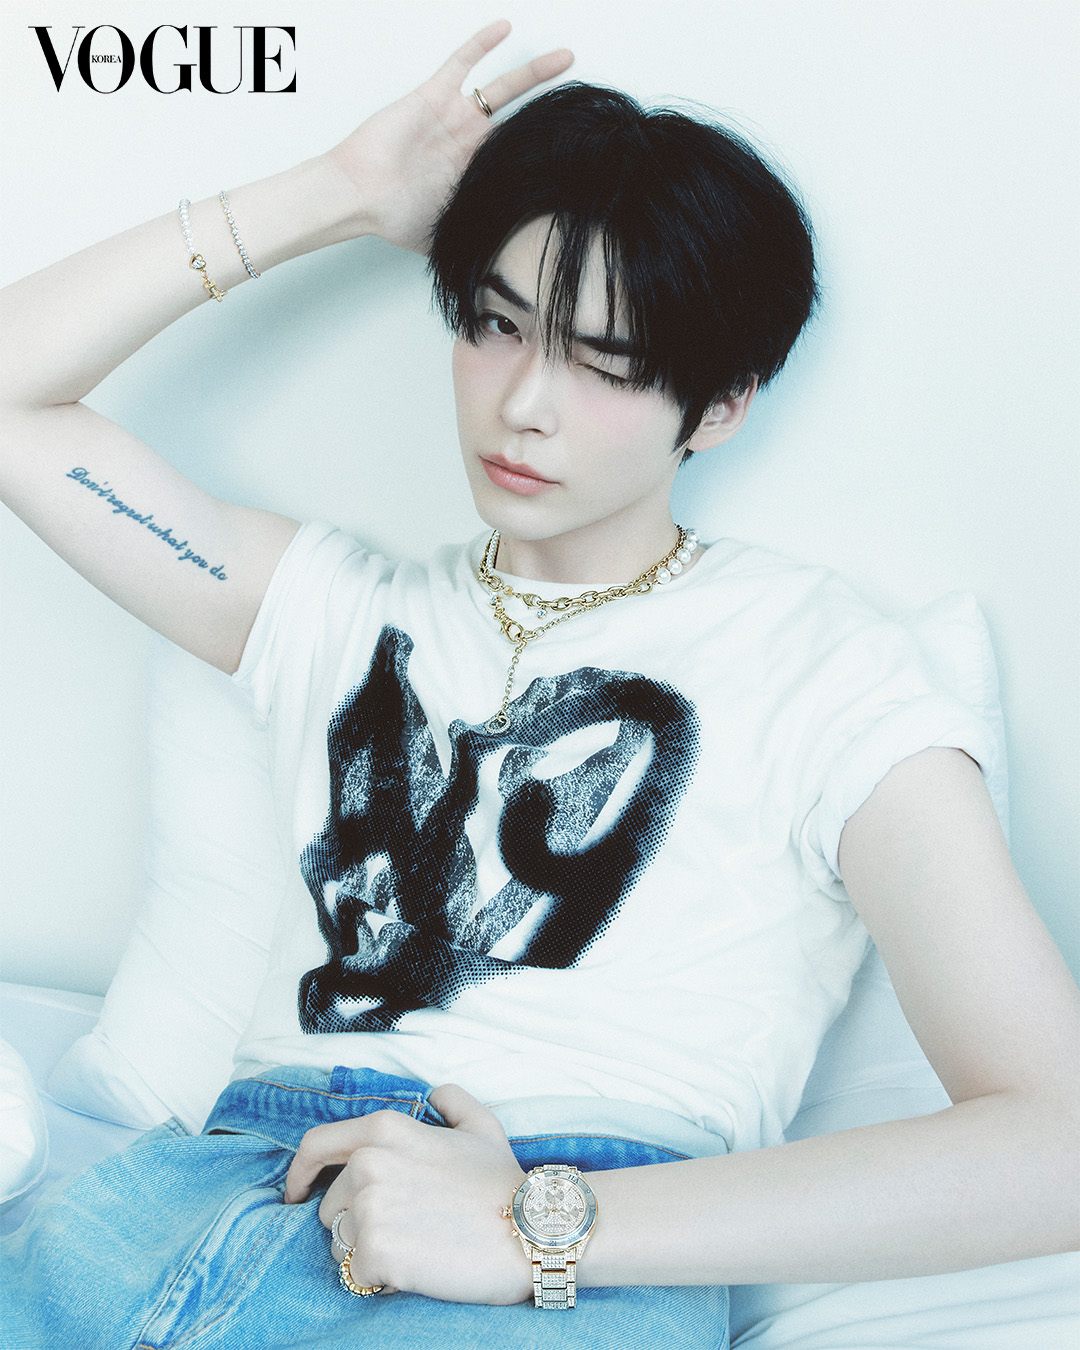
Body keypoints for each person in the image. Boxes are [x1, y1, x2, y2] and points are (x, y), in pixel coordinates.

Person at [0, 18, 1076, 1350]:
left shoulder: (827, 665)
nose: (524, 404)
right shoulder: (331, 609)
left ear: (721, 403)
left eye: (604, 361)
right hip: (194, 1197)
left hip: (560, 1245)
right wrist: (340, 193)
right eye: (496, 326)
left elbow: (1057, 1141)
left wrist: (537, 1225)